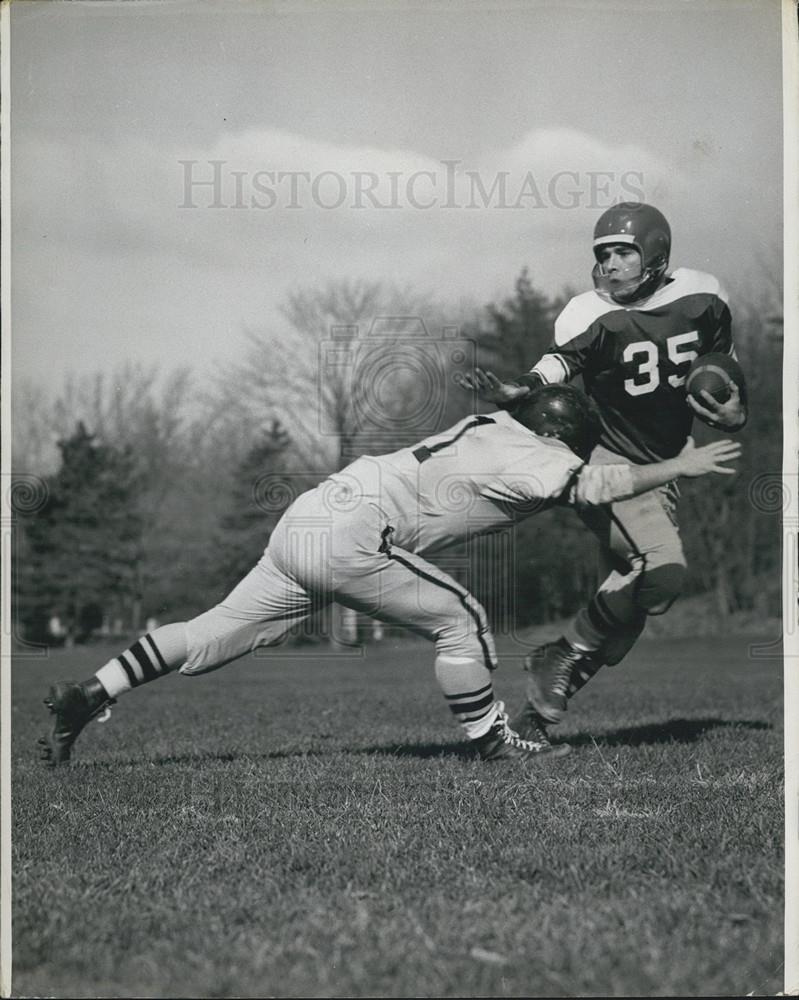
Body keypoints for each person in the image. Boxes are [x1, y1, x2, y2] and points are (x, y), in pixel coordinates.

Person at [40, 384, 740, 767]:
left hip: (308, 514)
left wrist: (522, 388)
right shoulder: (538, 455)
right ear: (562, 433)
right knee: (460, 620)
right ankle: (492, 744)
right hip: (353, 531)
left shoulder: (487, 422)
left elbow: (521, 399)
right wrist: (677, 466)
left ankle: (92, 692)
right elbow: (596, 485)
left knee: (211, 630)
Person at [458, 202, 747, 727]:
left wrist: (734, 410)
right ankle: (556, 655)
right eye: (603, 254)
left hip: (665, 468)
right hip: (607, 462)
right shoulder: (590, 311)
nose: (610, 264)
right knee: (663, 574)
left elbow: (724, 368)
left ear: (656, 254)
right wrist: (515, 389)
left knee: (622, 628)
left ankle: (536, 719)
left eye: (623, 252)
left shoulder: (704, 296)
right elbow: (558, 363)